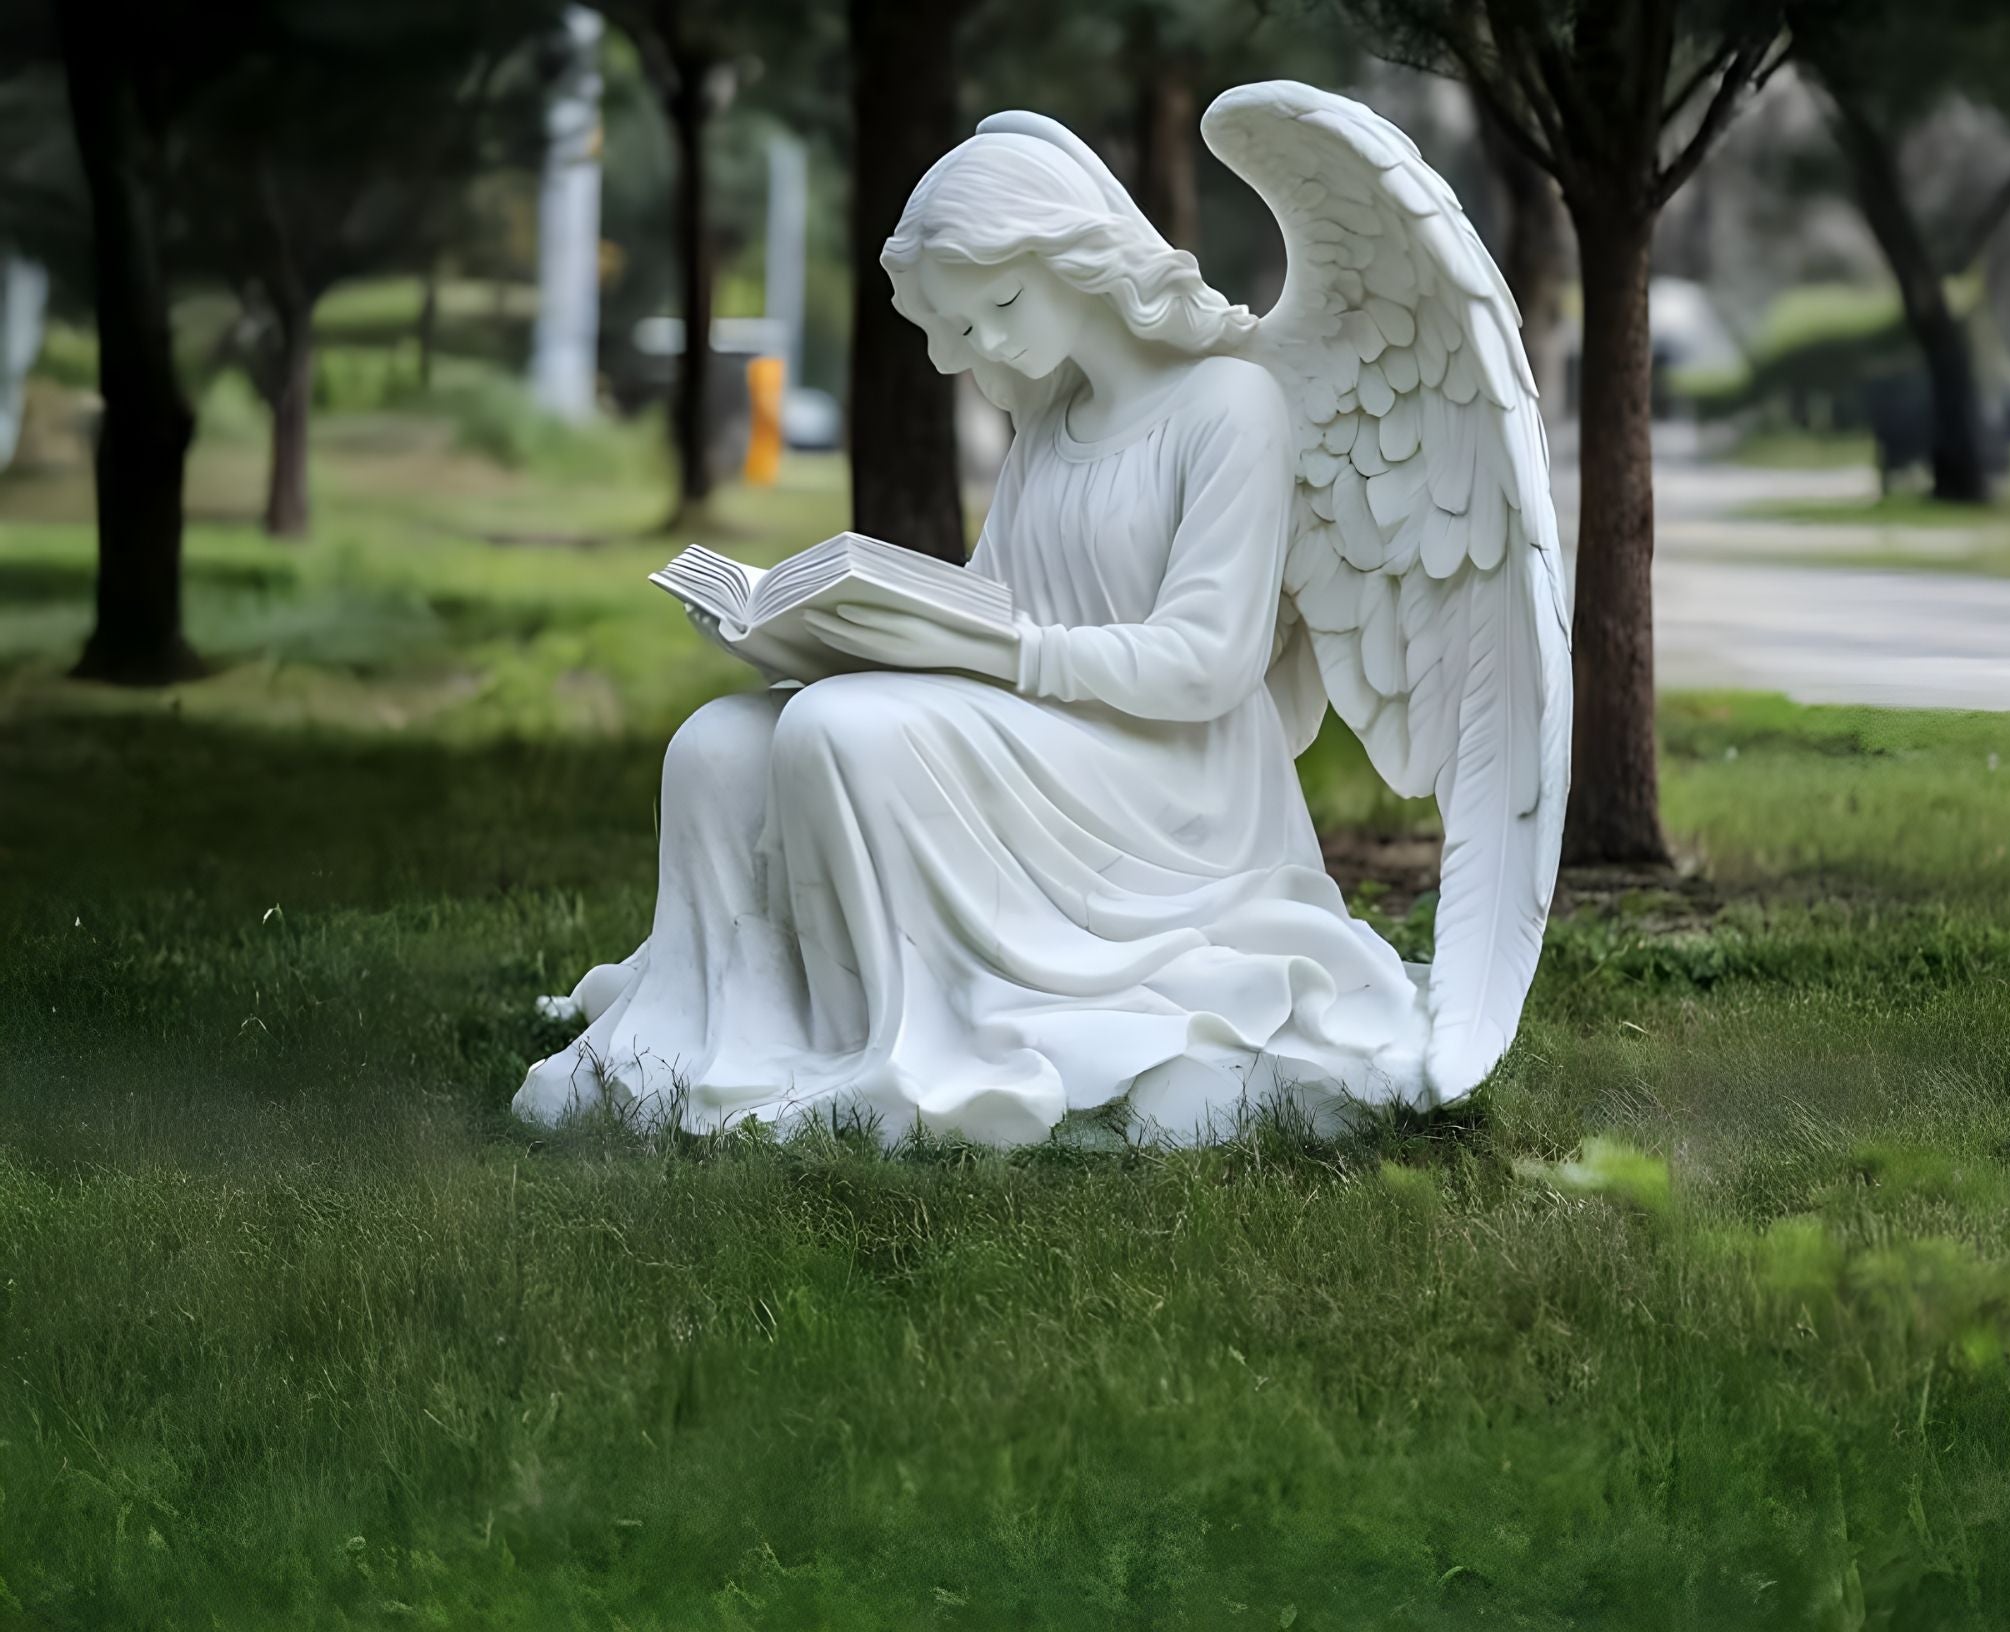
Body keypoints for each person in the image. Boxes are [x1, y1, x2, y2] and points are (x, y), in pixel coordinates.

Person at [513, 114, 1430, 1144]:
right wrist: (819, 636)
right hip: (1048, 727)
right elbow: (991, 601)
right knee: (719, 743)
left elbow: (1211, 662)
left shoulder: (1230, 404)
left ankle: (902, 1048)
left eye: (1001, 305)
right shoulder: (1050, 425)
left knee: (842, 731)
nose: (986, 346)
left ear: (1075, 258)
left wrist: (997, 653)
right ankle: (727, 1029)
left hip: (1175, 773)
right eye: (961, 324)